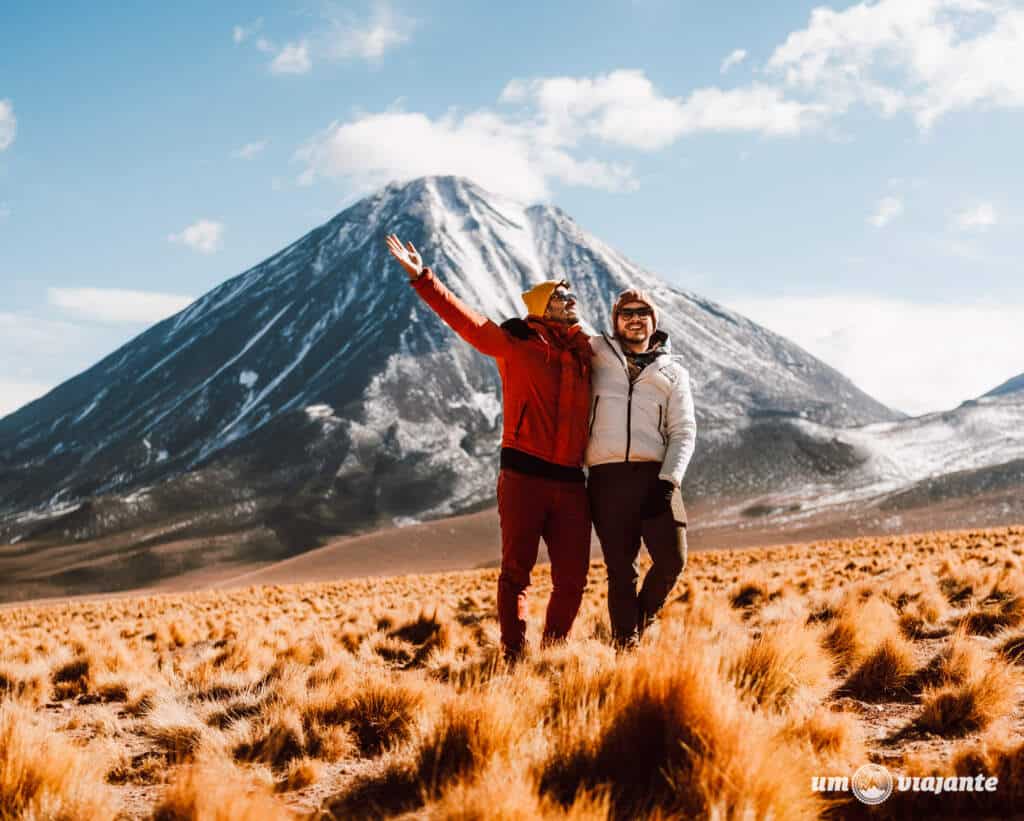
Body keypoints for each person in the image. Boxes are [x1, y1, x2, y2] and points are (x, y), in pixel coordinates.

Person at [385, 234, 593, 662]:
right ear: (542, 305)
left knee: (573, 578)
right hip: (524, 477)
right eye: (562, 295)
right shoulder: (515, 344)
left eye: (571, 295)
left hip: (572, 482)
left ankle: (554, 653)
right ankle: (514, 655)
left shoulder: (585, 353)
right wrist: (423, 278)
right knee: (516, 574)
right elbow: (468, 324)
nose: (572, 300)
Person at [585, 288, 697, 648]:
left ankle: (633, 626)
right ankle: (626, 647)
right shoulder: (595, 352)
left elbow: (684, 430)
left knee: (671, 562)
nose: (635, 318)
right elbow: (559, 325)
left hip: (656, 479)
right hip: (607, 479)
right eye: (627, 312)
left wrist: (669, 481)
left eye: (643, 313)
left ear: (654, 321)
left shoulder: (675, 372)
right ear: (615, 320)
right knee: (621, 572)